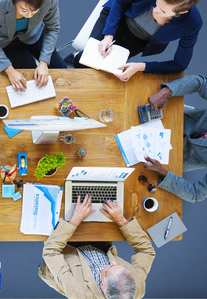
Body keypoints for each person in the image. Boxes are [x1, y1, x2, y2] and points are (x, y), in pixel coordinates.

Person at [38, 195, 155, 298]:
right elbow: (146, 251)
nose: (113, 262)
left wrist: (75, 220)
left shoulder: (78, 292)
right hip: (99, 248)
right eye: (121, 267)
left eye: (110, 268)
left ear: (102, 285)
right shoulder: (136, 286)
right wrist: (121, 221)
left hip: (67, 252)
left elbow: (51, 251)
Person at [69, 0, 202, 82]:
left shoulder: (193, 23)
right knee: (88, 64)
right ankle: (74, 58)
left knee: (106, 75)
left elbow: (180, 64)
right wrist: (108, 36)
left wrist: (140, 67)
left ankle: (77, 57)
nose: (155, 9)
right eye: (157, 2)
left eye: (161, 10)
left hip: (138, 41)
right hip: (118, 20)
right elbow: (119, 2)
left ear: (182, 11)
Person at [144, 74, 207, 202]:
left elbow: (195, 194)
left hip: (163, 158)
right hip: (169, 119)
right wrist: (166, 92)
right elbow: (201, 83)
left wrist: (162, 171)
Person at [0, 0, 67, 92]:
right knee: (28, 83)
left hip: (35, 34)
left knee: (62, 71)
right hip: (7, 42)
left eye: (35, 11)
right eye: (24, 10)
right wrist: (9, 70)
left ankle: (72, 57)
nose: (29, 15)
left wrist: (43, 63)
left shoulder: (50, 1)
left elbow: (52, 28)